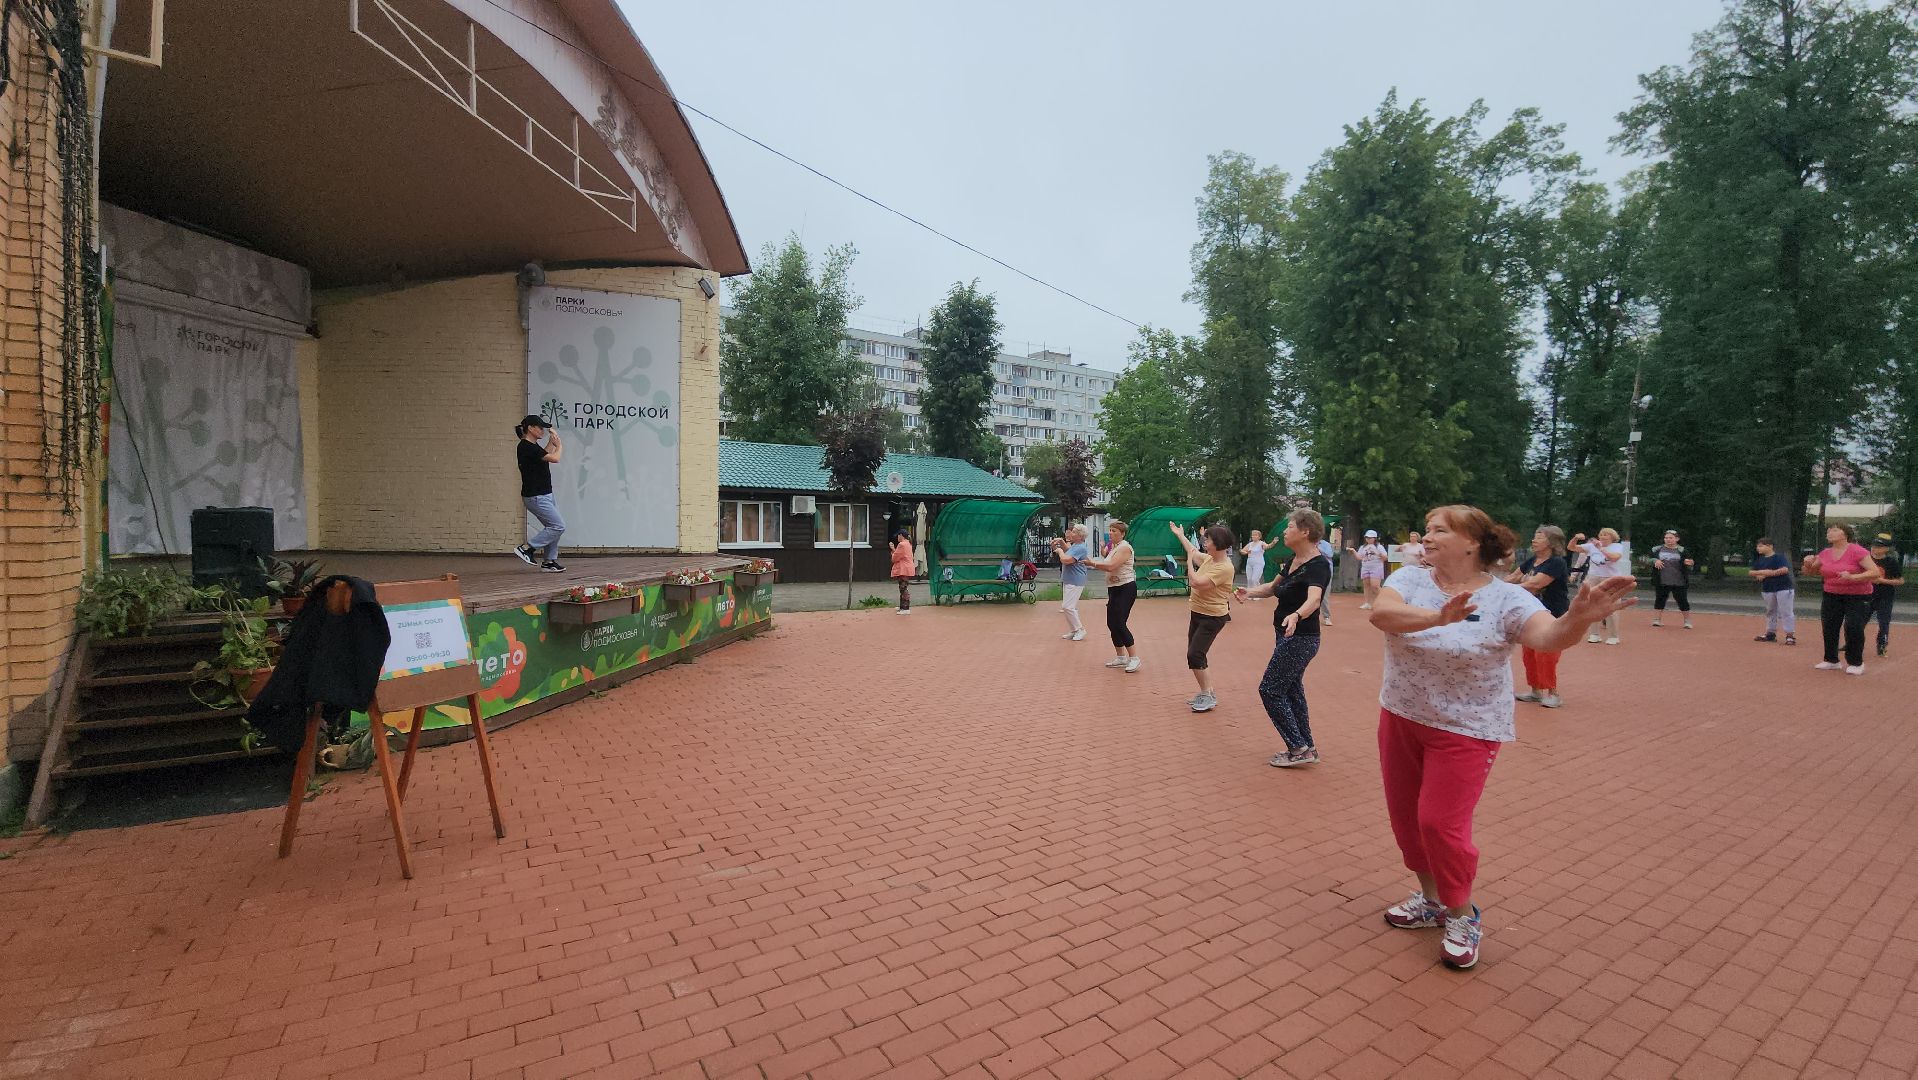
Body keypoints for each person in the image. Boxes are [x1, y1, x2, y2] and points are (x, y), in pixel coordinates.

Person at [1371, 505, 1636, 969]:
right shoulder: (1410, 579)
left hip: (1467, 729)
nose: (1426, 538)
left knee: (1439, 824)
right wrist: (1438, 618)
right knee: (1407, 821)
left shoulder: (1507, 599)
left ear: (1472, 543)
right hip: (1402, 715)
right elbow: (1383, 615)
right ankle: (1431, 900)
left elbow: (1548, 637)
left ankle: (1462, 913)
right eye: (1427, 530)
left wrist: (1578, 619)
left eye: (1438, 531)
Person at [1237, 510, 1330, 767]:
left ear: (1305, 532)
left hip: (1301, 638)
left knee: (1270, 689)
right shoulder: (1293, 560)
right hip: (1285, 635)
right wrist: (1250, 591)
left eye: (1290, 527)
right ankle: (1307, 746)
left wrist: (1297, 615)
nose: (1285, 532)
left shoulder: (1318, 565)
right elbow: (1272, 588)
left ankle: (1297, 748)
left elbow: (1314, 599)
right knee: (1291, 689)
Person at [1172, 521, 1237, 713]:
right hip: (1198, 612)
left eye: (1207, 539)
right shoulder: (1210, 559)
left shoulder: (1224, 567)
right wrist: (1180, 534)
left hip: (1213, 617)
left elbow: (1196, 582)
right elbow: (1192, 549)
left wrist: (1189, 561)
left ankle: (1207, 695)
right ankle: (1207, 692)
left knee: (1195, 654)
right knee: (1197, 653)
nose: (1204, 542)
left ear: (1217, 543)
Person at [1508, 526, 1572, 709]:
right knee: (1529, 653)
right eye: (1534, 536)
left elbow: (1535, 584)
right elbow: (1514, 576)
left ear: (1551, 542)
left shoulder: (1556, 562)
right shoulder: (1533, 560)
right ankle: (1535, 691)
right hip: (1530, 613)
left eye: (1539, 537)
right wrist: (1491, 585)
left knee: (1546, 653)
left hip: (1552, 614)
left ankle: (1553, 693)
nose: (1534, 540)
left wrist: (1505, 589)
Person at [1804, 524, 1881, 674]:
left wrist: (1853, 577)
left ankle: (1856, 663)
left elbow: (1875, 572)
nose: (1829, 533)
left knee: (1853, 627)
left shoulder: (1857, 551)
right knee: (1830, 626)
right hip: (1831, 594)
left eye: (1834, 530)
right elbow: (1811, 572)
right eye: (1828, 530)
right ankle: (1831, 660)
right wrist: (1807, 563)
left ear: (1845, 534)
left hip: (1858, 596)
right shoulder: (1825, 553)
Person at [512, 415, 566, 573]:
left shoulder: (532, 447)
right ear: (530, 428)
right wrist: (559, 446)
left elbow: (543, 455)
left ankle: (549, 561)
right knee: (558, 526)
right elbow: (555, 458)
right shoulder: (527, 447)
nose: (542, 430)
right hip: (536, 496)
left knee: (553, 526)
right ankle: (527, 548)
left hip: (544, 494)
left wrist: (552, 442)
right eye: (540, 427)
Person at [1088, 520, 1140, 672]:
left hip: (1126, 588)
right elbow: (1107, 564)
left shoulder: (1125, 548)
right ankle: (1121, 657)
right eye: (1110, 530)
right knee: (1111, 623)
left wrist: (1092, 564)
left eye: (1115, 531)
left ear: (1122, 534)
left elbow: (1111, 566)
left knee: (1119, 622)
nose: (1111, 533)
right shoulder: (1114, 548)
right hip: (1114, 589)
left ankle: (1134, 658)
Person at [1572, 528, 1628, 644]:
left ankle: (1613, 636)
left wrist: (1600, 548)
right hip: (1593, 578)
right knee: (1592, 606)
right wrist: (1576, 538)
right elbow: (1571, 548)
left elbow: (1614, 558)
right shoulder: (1591, 546)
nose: (1602, 537)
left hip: (1611, 579)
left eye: (1606, 535)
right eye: (1601, 535)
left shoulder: (1617, 546)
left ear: (1612, 537)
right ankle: (1594, 634)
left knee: (1612, 606)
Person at [1749, 537, 1797, 645]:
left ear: (1770, 546)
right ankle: (1770, 633)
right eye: (1758, 546)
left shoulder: (1778, 557)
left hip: (1783, 588)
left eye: (1761, 546)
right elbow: (1752, 572)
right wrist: (1760, 574)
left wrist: (1768, 573)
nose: (1758, 548)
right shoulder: (1760, 560)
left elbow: (1784, 569)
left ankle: (1790, 635)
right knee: (1770, 611)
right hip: (1768, 589)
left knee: (1786, 611)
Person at [1649, 530, 1695, 629]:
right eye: (1666, 538)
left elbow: (1690, 562)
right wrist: (1655, 560)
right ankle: (1657, 620)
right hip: (1662, 580)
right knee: (1660, 599)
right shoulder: (1656, 549)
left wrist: (1689, 563)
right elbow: (1649, 559)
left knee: (1682, 600)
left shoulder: (1683, 550)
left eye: (1671, 538)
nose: (1668, 540)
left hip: (1679, 581)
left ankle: (1687, 621)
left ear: (1677, 539)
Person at [1052, 526, 1091, 641]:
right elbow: (1068, 551)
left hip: (1076, 580)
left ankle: (1080, 629)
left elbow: (1066, 560)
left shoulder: (1080, 547)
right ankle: (1074, 630)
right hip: (1070, 579)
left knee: (1067, 607)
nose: (1070, 534)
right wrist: (1062, 542)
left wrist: (1059, 551)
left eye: (1073, 532)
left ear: (1080, 536)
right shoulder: (1075, 545)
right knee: (1068, 607)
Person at [1868, 532, 1903, 658]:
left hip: (1885, 597)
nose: (1874, 548)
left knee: (1883, 622)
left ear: (1886, 549)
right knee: (1858, 622)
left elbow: (1900, 580)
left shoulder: (1891, 562)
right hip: (1866, 596)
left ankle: (1882, 645)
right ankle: (1852, 643)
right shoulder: (1866, 559)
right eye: (1874, 545)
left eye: (1879, 546)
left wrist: (1882, 581)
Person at [1349, 530, 1389, 610]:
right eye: (1367, 537)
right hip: (1365, 567)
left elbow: (1385, 557)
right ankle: (1367, 603)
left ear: (1375, 538)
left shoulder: (1379, 546)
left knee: (1375, 586)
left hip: (1376, 567)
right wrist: (1353, 551)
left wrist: (1380, 555)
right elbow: (1359, 557)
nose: (1368, 539)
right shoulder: (1363, 547)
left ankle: (1384, 601)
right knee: (1366, 585)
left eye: (1370, 538)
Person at [889, 530, 915, 615]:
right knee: (903, 587)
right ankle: (902, 606)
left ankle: (906, 608)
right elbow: (899, 555)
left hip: (903, 569)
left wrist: (893, 550)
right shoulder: (908, 544)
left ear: (901, 535)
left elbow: (895, 558)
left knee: (903, 588)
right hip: (907, 568)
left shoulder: (901, 544)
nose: (897, 537)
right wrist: (894, 549)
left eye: (898, 535)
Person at [1316, 535, 1337, 626]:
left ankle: (1326, 617)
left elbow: (1330, 554)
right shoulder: (1307, 544)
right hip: (1313, 571)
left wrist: (1317, 547)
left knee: (1324, 596)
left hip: (1326, 571)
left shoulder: (1325, 544)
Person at [1241, 531, 1268, 599]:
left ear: (1259, 537)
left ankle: (1257, 594)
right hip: (1250, 563)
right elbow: (1242, 551)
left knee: (1254, 579)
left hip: (1258, 563)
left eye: (1255, 535)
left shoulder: (1261, 543)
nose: (1254, 536)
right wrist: (1246, 552)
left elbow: (1268, 546)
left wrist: (1273, 543)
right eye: (1253, 535)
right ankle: (1249, 594)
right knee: (1249, 579)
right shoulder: (1250, 544)